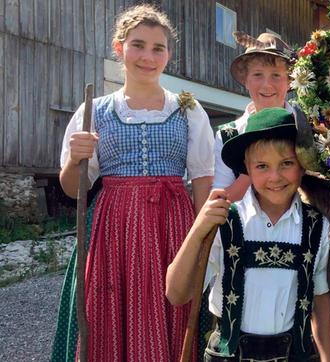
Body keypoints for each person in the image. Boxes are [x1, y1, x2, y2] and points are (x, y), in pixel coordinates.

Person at [51, 4, 214, 361]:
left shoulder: (188, 110)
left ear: (168, 55)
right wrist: (77, 159)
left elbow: (202, 181)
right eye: (138, 45)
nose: (148, 56)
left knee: (172, 306)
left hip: (171, 227)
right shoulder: (93, 110)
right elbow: (72, 189)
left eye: (159, 48)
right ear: (119, 47)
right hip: (112, 230)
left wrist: (201, 243)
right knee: (106, 312)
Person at [167, 108, 330, 361]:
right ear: (247, 168)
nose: (275, 177)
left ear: (302, 166)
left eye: (286, 163)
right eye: (262, 166)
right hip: (228, 356)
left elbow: (320, 298)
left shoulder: (316, 226)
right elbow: (176, 294)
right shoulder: (225, 222)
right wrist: (198, 230)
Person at [213, 32, 295, 201]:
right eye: (258, 75)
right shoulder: (228, 135)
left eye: (276, 75)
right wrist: (254, 167)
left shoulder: (306, 125)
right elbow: (221, 199)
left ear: (289, 82)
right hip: (248, 226)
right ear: (246, 81)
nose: (267, 84)